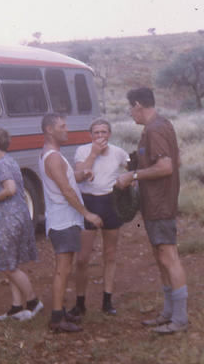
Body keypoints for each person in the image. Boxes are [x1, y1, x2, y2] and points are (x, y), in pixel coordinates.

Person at [115, 87, 189, 334]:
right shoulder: (160, 126)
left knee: (168, 257)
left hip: (160, 204)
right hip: (157, 202)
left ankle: (179, 319)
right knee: (161, 258)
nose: (130, 113)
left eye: (130, 108)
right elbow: (175, 161)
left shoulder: (155, 129)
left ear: (138, 105)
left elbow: (166, 167)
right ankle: (169, 313)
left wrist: (133, 176)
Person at [38, 113, 103, 333]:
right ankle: (57, 318)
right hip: (62, 221)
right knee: (63, 269)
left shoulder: (53, 155)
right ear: (49, 130)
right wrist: (87, 213)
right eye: (62, 126)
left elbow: (66, 180)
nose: (67, 130)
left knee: (64, 268)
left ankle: (59, 312)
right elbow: (65, 189)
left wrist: (81, 174)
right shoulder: (53, 157)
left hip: (64, 220)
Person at [0, 128, 43, 321]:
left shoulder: (1, 165)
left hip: (9, 219)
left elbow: (10, 189)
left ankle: (33, 302)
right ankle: (16, 306)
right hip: (17, 217)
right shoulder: (10, 161)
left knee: (7, 266)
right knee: (11, 263)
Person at [69, 118, 129, 317]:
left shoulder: (118, 152)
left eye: (104, 132)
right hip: (89, 202)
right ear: (91, 135)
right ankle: (80, 303)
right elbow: (78, 174)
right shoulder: (83, 151)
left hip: (111, 202)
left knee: (110, 254)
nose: (100, 136)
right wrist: (93, 154)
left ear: (109, 134)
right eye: (96, 133)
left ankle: (107, 300)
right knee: (82, 258)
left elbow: (131, 169)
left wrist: (128, 182)